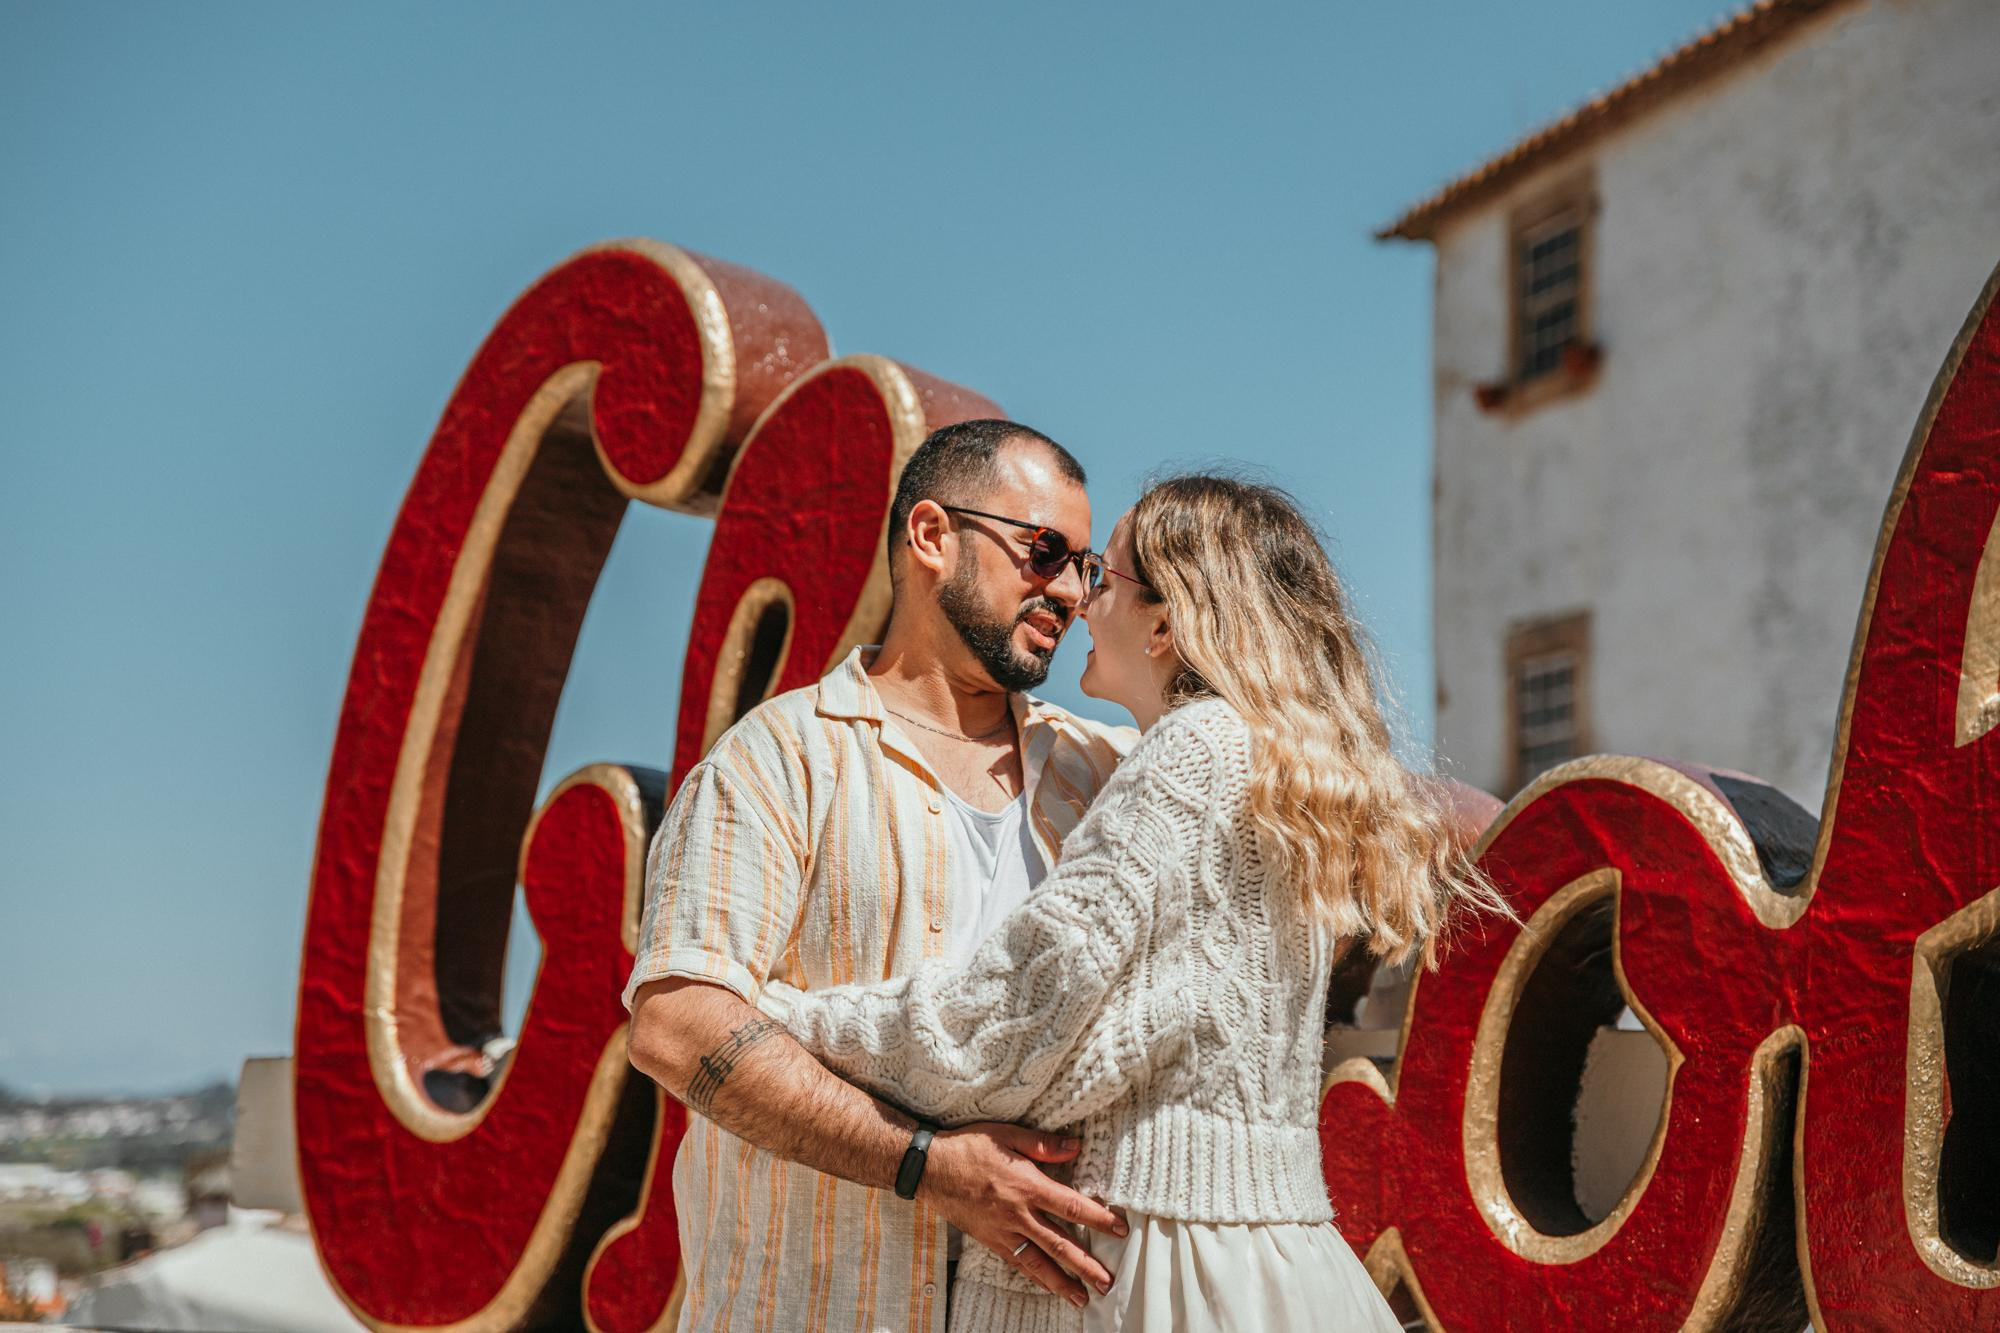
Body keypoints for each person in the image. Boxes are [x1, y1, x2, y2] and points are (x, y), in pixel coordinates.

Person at [758, 474, 1510, 1331]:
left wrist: (778, 1018)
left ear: (1165, 623)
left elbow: (1012, 1016)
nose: (1078, 599)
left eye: (1103, 577)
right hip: (1271, 1248)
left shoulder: (1191, 755)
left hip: (1149, 1264)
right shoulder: (1275, 768)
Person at [624, 419, 1142, 1332]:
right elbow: (675, 1023)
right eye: (1044, 551)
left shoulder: (1112, 773)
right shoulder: (775, 763)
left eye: (1087, 567)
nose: (1068, 591)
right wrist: (926, 1163)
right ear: (933, 536)